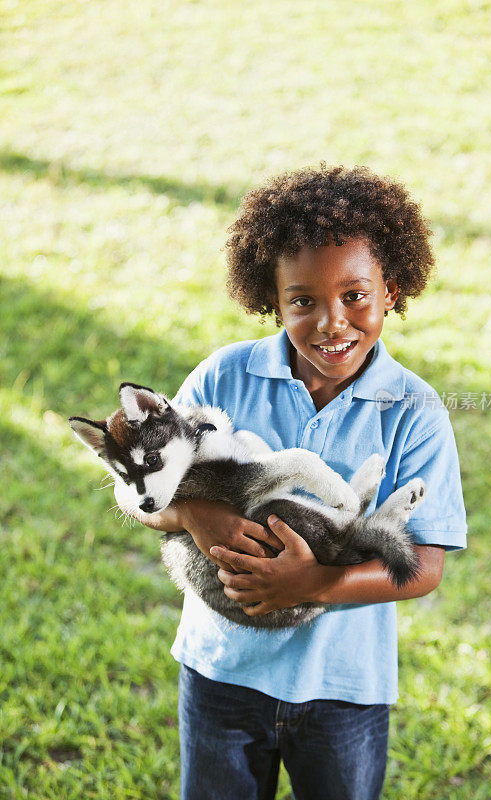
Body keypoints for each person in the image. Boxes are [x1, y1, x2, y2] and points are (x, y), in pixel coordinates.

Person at [123, 165, 467, 800]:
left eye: (355, 296)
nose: (333, 323)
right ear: (272, 299)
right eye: (302, 301)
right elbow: (150, 497)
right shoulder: (222, 378)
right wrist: (196, 515)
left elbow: (423, 566)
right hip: (223, 675)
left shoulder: (414, 409)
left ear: (391, 290)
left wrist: (316, 583)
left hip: (343, 690)